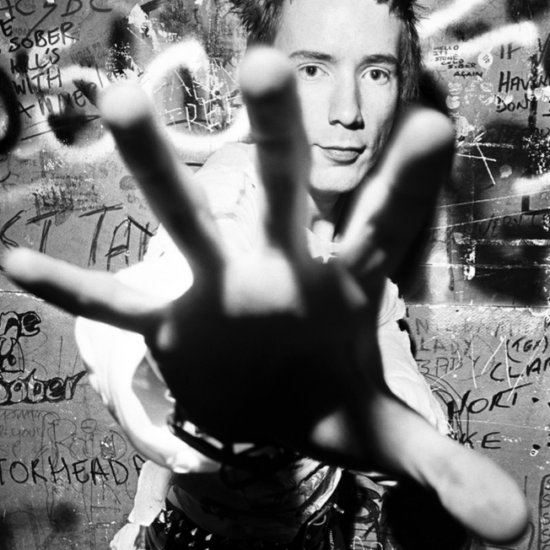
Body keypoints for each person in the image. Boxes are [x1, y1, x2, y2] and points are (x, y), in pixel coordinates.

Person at [3, 0, 529, 549]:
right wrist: (184, 371)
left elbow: (379, 341)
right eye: (311, 69)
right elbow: (170, 299)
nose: (347, 110)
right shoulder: (233, 193)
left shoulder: (354, 235)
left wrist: (421, 448)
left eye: (375, 72)